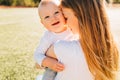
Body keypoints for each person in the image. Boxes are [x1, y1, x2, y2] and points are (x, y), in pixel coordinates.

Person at [40, 0, 119, 80]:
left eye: (66, 17)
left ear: (80, 15)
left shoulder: (61, 47)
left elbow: (38, 63)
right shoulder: (113, 47)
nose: (65, 23)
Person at [34, 0, 76, 80]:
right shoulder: (48, 36)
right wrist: (49, 62)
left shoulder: (71, 29)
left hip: (71, 63)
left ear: (63, 13)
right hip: (53, 68)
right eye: (47, 17)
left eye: (56, 12)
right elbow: (37, 54)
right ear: (43, 23)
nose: (53, 18)